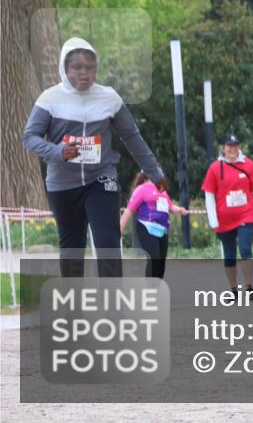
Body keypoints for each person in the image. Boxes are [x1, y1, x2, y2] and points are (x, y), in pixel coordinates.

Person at [22, 37, 167, 278]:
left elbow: (131, 136)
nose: (84, 73)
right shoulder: (49, 99)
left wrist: (153, 171)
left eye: (90, 67)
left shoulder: (109, 98)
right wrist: (58, 151)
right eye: (77, 67)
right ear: (64, 68)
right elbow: (29, 137)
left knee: (108, 242)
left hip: (101, 178)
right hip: (62, 183)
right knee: (72, 246)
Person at [200, 134, 253, 293]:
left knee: (245, 249)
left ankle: (249, 286)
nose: (232, 149)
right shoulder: (214, 168)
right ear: (223, 148)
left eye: (235, 145)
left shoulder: (249, 165)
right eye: (229, 146)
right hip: (224, 218)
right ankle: (233, 289)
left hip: (246, 214)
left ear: (239, 147)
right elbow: (209, 196)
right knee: (229, 254)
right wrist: (213, 220)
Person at [120, 172, 189, 278]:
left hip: (162, 230)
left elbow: (170, 206)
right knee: (154, 258)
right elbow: (129, 209)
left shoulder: (162, 190)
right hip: (146, 227)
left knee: (161, 263)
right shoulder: (141, 189)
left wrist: (179, 209)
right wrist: (120, 227)